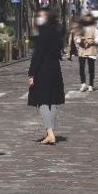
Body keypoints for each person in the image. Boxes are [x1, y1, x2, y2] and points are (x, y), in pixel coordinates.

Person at [27, 8, 66, 145]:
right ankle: (51, 132)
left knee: (42, 101)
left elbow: (37, 56)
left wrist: (32, 74)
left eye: (41, 16)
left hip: (43, 69)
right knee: (53, 100)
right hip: (55, 68)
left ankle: (50, 132)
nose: (39, 18)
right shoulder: (57, 32)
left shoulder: (43, 33)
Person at [76, 13, 98, 92]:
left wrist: (93, 41)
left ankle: (91, 84)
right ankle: (83, 83)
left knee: (91, 68)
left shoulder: (94, 28)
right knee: (81, 67)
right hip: (82, 50)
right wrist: (81, 40)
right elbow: (76, 38)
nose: (87, 19)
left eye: (89, 18)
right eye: (86, 18)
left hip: (91, 49)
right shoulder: (81, 28)